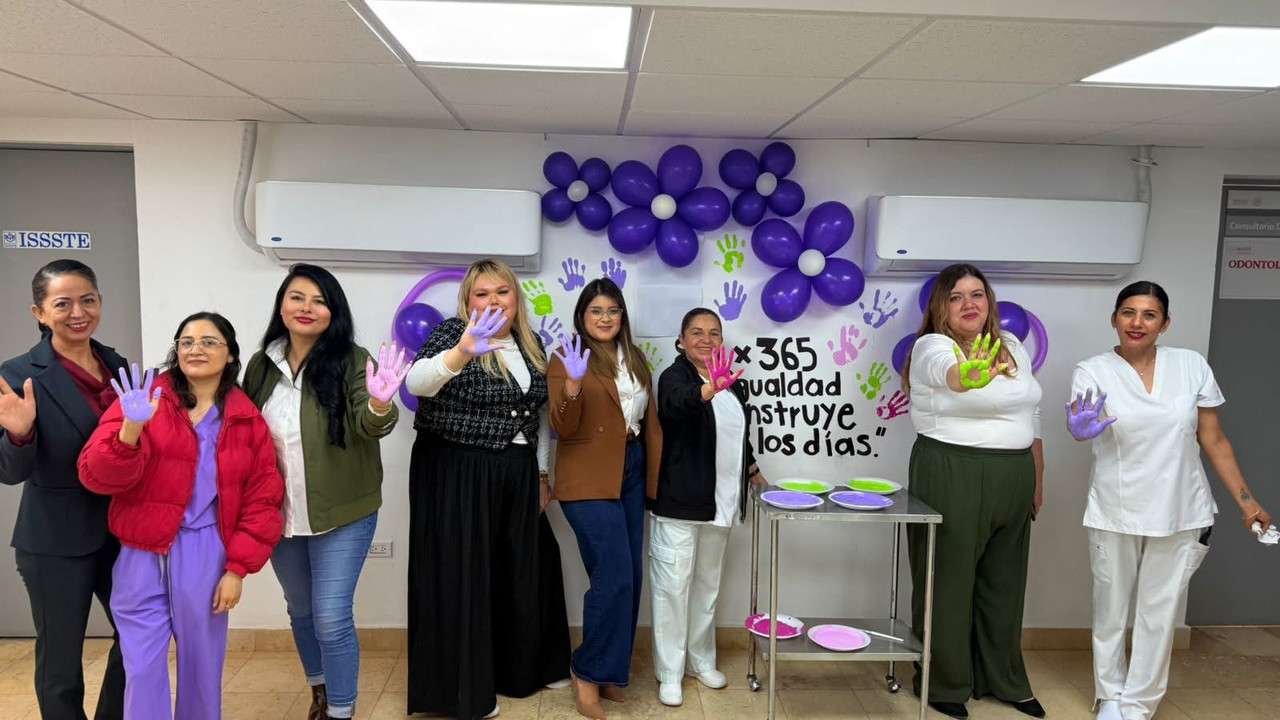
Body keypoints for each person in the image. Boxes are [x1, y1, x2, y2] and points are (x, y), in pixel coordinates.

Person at [1066, 281, 1271, 720]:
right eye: (1128, 312)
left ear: (1165, 323)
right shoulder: (1093, 370)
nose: (1137, 322)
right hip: (1115, 507)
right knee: (1111, 608)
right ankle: (1110, 696)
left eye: (1149, 314)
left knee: (1159, 614)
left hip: (1180, 507)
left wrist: (1247, 502)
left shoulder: (1190, 365)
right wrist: (1079, 431)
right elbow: (1081, 421)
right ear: (1114, 319)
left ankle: (1139, 703)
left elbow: (1213, 439)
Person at [77, 312, 284, 720]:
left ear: (230, 355)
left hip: (206, 552)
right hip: (141, 550)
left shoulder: (246, 420)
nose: (196, 349)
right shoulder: (143, 400)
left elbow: (262, 499)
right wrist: (130, 430)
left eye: (209, 342)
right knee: (141, 669)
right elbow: (95, 475)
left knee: (202, 668)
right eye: (187, 342)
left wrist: (237, 569)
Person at [404, 258, 570, 720]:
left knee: (527, 564)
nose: (493, 301)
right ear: (468, 300)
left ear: (516, 298)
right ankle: (462, 692)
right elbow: (416, 383)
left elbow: (539, 415)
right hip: (457, 467)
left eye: (502, 292)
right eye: (482, 293)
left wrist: (541, 474)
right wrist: (461, 352)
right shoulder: (451, 333)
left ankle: (524, 669)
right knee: (465, 574)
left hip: (516, 468)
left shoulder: (530, 344)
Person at [242, 264, 406, 720]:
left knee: (331, 617)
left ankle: (340, 709)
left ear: (334, 312)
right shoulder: (261, 365)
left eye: (319, 301)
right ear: (282, 305)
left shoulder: (353, 360)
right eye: (297, 297)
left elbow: (370, 425)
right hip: (280, 514)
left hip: (344, 512)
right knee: (300, 611)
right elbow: (243, 432)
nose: (307, 308)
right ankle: (319, 689)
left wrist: (380, 403)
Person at [902, 263, 1045, 719]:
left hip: (1014, 474)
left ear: (989, 301)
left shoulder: (1012, 345)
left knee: (1005, 584)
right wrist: (969, 376)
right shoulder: (931, 346)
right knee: (947, 580)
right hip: (952, 471)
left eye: (977, 294)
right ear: (940, 307)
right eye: (956, 296)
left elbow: (1031, 413)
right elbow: (950, 375)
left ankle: (1002, 679)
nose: (969, 304)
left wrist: (1037, 474)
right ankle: (943, 682)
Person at [0, 260, 127, 720]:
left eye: (87, 300)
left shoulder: (119, 366)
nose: (78, 312)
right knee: (61, 664)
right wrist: (20, 434)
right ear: (39, 312)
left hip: (121, 534)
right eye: (63, 303)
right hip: (53, 541)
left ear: (100, 302)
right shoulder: (18, 374)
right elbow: (9, 471)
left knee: (139, 638)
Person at [546, 278, 661, 719]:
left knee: (629, 578)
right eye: (596, 310)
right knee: (612, 577)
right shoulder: (567, 356)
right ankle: (587, 672)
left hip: (631, 468)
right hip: (587, 475)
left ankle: (611, 668)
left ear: (622, 316)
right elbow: (562, 425)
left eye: (613, 310)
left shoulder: (635, 357)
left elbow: (647, 421)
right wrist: (573, 385)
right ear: (582, 316)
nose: (605, 318)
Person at [649, 307, 765, 708]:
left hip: (721, 503)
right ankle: (670, 672)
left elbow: (737, 435)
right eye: (696, 332)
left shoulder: (733, 384)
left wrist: (753, 470)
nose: (706, 339)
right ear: (681, 340)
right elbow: (675, 406)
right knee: (672, 589)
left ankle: (700, 660)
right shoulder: (674, 377)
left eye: (714, 333)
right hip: (681, 504)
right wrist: (707, 390)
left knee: (707, 587)